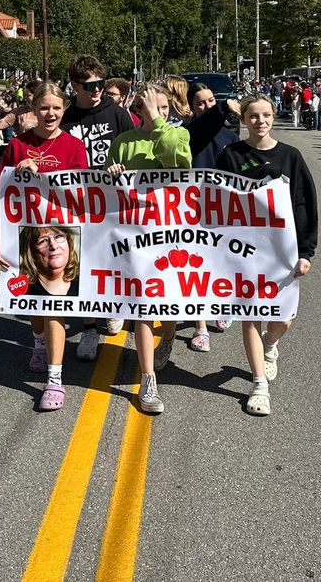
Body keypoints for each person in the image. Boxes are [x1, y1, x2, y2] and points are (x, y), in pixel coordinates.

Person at [0, 82, 90, 411]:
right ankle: (36, 343)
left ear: (64, 109)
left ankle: (55, 379)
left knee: (55, 306)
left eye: (57, 108)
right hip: (26, 238)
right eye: (44, 107)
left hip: (62, 237)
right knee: (35, 304)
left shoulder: (75, 146)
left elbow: (83, 192)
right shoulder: (18, 146)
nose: (51, 114)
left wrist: (48, 175)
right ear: (34, 109)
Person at [216, 94, 317, 417]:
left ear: (274, 117)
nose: (261, 121)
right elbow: (215, 202)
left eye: (267, 115)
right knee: (251, 316)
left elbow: (304, 206)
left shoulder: (291, 156)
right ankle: (259, 384)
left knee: (283, 318)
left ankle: (270, 344)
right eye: (254, 116)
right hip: (244, 254)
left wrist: (305, 252)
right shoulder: (231, 155)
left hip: (283, 254)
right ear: (244, 120)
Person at [106, 83, 192, 416]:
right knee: (143, 307)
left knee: (168, 304)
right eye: (152, 108)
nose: (161, 114)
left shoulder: (177, 136)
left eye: (166, 109)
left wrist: (158, 121)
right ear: (138, 109)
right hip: (134, 239)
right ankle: (148, 378)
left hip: (171, 237)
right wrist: (111, 174)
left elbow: (177, 159)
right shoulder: (123, 143)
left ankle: (167, 340)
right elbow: (106, 193)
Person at [60, 55, 135, 346]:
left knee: (115, 258)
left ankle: (115, 304)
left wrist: (122, 169)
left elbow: (133, 152)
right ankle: (89, 328)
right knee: (85, 264)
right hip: (78, 202)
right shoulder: (66, 118)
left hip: (113, 202)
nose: (97, 91)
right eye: (90, 86)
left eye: (101, 84)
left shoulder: (116, 113)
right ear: (75, 86)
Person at [186, 82, 242, 347]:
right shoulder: (188, 133)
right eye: (200, 103)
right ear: (191, 107)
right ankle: (200, 328)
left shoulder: (230, 137)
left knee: (223, 262)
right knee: (198, 266)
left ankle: (222, 305)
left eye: (211, 101)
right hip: (194, 208)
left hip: (223, 209)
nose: (207, 106)